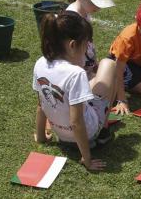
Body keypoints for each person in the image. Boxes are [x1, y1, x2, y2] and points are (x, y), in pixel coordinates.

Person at [33, 12, 117, 171]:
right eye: (85, 46)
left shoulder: (40, 63)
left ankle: (98, 131)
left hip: (60, 135)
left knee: (91, 82)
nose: (86, 52)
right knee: (108, 64)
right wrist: (87, 159)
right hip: (87, 134)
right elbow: (76, 122)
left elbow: (41, 105)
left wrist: (42, 137)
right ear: (72, 46)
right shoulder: (75, 74)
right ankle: (103, 131)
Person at [67, 0, 116, 79]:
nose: (99, 7)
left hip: (87, 70)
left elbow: (88, 47)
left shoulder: (85, 14)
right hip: (78, 77)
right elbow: (70, 61)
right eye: (94, 2)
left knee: (112, 70)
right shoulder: (71, 21)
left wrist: (94, 64)